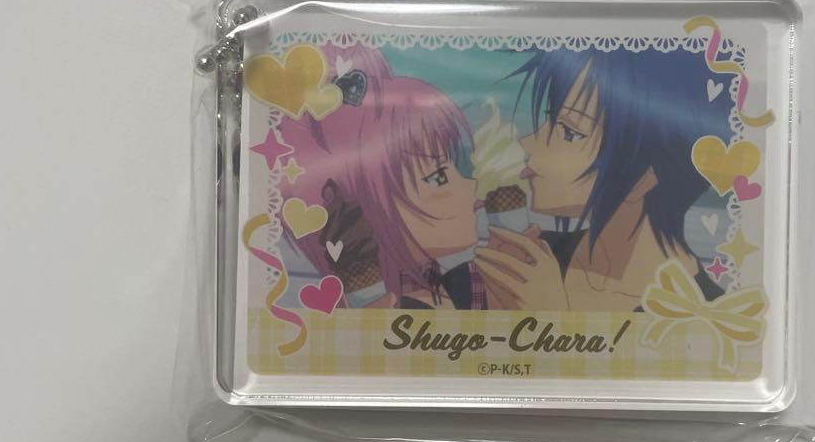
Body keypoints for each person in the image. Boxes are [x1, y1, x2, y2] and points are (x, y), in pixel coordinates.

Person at [475, 47, 732, 312]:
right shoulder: (535, 258)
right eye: (551, 118)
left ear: (645, 175)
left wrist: (553, 321)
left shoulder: (706, 314)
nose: (527, 142)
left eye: (569, 132)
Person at [279, 50, 487, 309]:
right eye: (438, 178)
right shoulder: (379, 309)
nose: (471, 186)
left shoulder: (469, 283)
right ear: (362, 212)